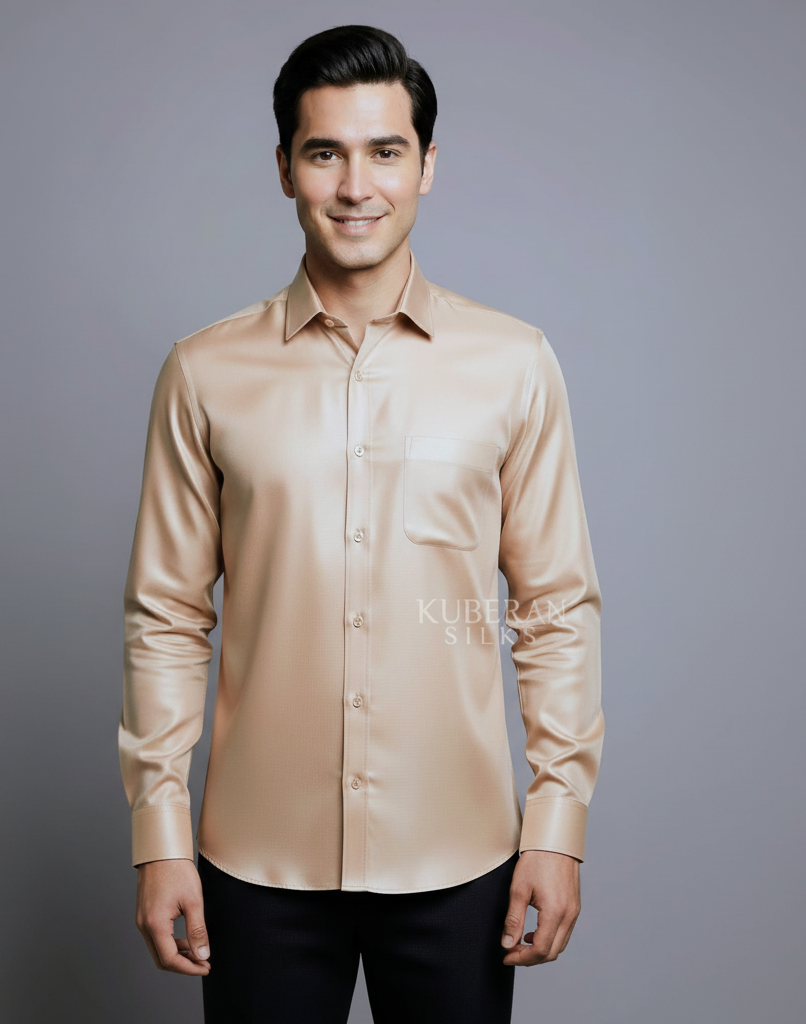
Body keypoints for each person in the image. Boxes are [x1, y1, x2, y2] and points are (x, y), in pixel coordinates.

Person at [119, 24, 604, 1024]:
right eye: (324, 153)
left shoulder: (514, 365)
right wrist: (159, 836)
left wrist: (556, 823)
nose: (355, 186)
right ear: (284, 170)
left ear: (427, 165)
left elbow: (555, 607)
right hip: (256, 866)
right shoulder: (204, 372)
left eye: (385, 151)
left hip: (462, 861)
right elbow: (167, 615)